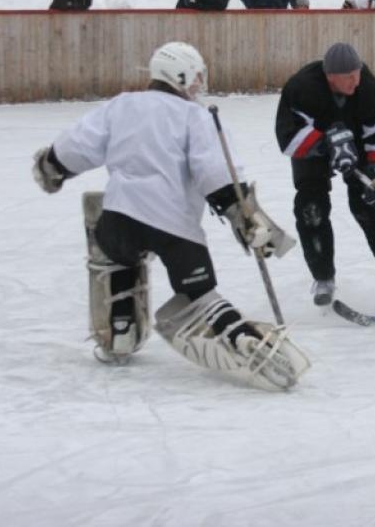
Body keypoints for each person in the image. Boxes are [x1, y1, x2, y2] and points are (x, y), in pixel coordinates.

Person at [30, 42, 308, 390]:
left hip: (121, 217)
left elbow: (78, 146)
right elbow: (214, 171)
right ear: (179, 75)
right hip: (175, 227)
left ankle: (121, 330)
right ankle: (241, 339)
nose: (197, 85)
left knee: (116, 256)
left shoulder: (122, 105)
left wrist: (53, 165)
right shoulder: (196, 116)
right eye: (195, 77)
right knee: (201, 295)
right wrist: (242, 214)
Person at [274, 42, 375, 308]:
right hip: (313, 148)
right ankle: (323, 277)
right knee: (310, 207)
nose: (355, 80)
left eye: (357, 73)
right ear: (330, 76)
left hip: (359, 147)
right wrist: (326, 143)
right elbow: (288, 135)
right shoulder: (302, 87)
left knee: (371, 204)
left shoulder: (373, 92)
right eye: (347, 76)